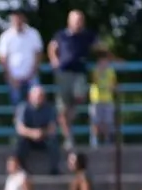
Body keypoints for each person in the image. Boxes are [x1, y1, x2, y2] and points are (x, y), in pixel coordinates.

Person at [47, 10, 106, 150]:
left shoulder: (87, 35)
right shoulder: (61, 35)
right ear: (69, 21)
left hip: (79, 73)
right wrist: (54, 60)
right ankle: (68, 138)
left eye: (80, 20)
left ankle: (71, 124)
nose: (78, 22)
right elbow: (52, 47)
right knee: (62, 110)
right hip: (63, 74)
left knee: (78, 100)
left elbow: (101, 47)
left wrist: (102, 60)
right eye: (76, 20)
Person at [0, 11, 43, 109]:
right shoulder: (5, 36)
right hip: (14, 77)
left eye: (19, 18)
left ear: (24, 19)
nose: (17, 21)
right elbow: (2, 58)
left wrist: (32, 73)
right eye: (15, 18)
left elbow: (38, 54)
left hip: (31, 77)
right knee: (17, 106)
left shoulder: (33, 33)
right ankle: (19, 124)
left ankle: (34, 124)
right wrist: (10, 77)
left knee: (36, 105)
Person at [14, 85, 60, 175]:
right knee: (21, 143)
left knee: (53, 141)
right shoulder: (23, 107)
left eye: (41, 96)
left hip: (43, 138)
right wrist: (33, 133)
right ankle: (21, 169)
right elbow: (20, 128)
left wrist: (41, 133)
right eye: (37, 96)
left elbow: (52, 128)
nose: (39, 98)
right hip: (28, 138)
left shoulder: (49, 108)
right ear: (30, 96)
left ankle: (54, 169)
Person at [88, 51, 116, 147]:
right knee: (95, 121)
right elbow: (94, 81)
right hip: (96, 100)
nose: (103, 63)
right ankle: (94, 140)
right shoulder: (95, 70)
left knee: (107, 122)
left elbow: (113, 84)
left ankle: (107, 140)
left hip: (108, 100)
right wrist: (100, 72)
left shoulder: (111, 71)